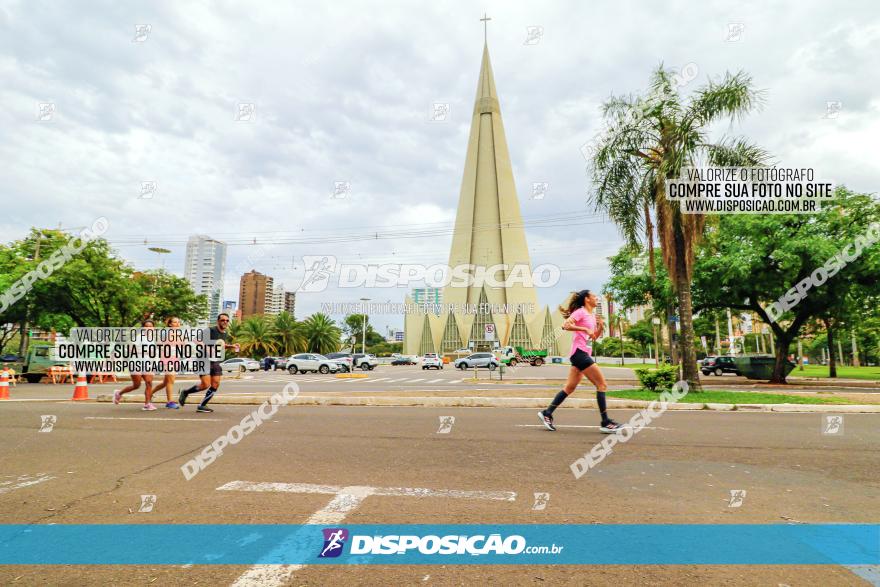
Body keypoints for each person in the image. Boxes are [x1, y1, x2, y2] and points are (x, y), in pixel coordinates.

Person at [538, 290, 623, 433]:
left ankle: (547, 413)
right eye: (594, 296)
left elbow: (593, 337)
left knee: (569, 388)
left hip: (581, 354)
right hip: (579, 353)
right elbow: (565, 326)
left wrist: (600, 326)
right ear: (586, 299)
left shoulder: (592, 316)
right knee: (601, 384)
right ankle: (605, 422)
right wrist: (583, 328)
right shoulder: (581, 312)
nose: (596, 298)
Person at [178, 313, 238, 413]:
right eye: (223, 320)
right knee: (205, 384)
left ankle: (202, 405)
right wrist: (206, 348)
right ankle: (185, 392)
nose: (225, 322)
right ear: (218, 321)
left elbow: (220, 345)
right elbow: (196, 340)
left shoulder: (225, 333)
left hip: (215, 360)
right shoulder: (210, 330)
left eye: (227, 320)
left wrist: (231, 346)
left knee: (215, 384)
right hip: (203, 359)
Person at [114, 319, 156, 410]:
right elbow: (130, 349)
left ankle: (147, 404)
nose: (149, 328)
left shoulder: (152, 338)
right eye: (146, 326)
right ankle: (119, 393)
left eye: (151, 326)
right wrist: (144, 351)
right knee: (136, 385)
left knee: (149, 382)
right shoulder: (139, 337)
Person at [151, 316, 181, 409]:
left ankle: (149, 393)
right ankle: (170, 402)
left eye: (178, 322)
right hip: (167, 359)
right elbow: (159, 344)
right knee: (170, 380)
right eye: (175, 322)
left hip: (175, 359)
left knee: (165, 382)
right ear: (170, 324)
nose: (177, 324)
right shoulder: (166, 333)